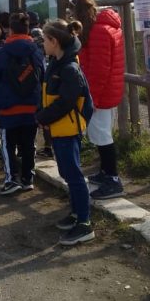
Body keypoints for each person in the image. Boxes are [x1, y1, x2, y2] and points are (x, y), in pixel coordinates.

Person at [35, 19, 96, 246]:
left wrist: (43, 117)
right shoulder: (57, 62)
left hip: (68, 129)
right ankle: (76, 213)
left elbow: (66, 102)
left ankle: (84, 223)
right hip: (59, 128)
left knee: (74, 175)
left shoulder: (69, 68)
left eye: (44, 40)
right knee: (67, 172)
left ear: (55, 41)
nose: (42, 44)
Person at [69, 0, 126, 199]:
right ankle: (106, 173)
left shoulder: (99, 31)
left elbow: (99, 69)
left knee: (102, 135)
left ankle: (113, 179)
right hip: (106, 89)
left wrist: (92, 98)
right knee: (101, 133)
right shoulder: (105, 27)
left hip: (100, 91)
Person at [0, 12, 43, 196]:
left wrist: (0, 97)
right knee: (29, 143)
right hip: (31, 106)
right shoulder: (36, 50)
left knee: (8, 144)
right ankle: (28, 178)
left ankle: (12, 179)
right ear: (28, 29)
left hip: (8, 106)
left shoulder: (1, 52)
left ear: (10, 29)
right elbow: (41, 75)